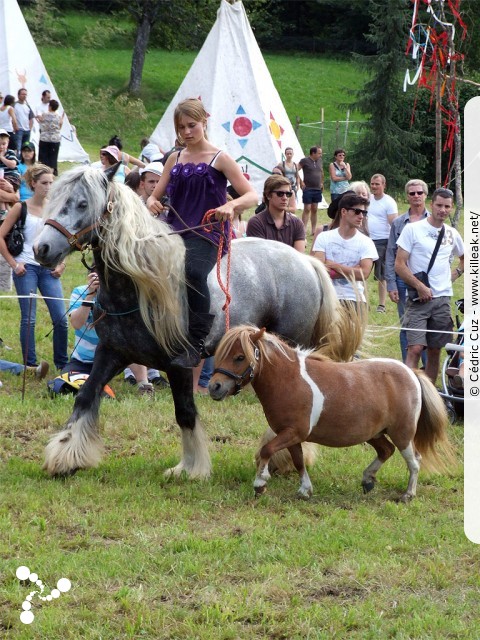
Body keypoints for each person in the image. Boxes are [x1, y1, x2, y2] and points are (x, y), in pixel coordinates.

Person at [147, 97, 257, 370]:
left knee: (194, 273)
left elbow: (252, 195)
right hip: (174, 232)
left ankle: (196, 341)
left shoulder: (220, 158)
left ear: (204, 123)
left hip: (209, 233)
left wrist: (231, 204)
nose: (186, 132)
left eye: (191, 125)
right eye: (181, 127)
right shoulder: (174, 158)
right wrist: (151, 201)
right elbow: (154, 195)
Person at [0, 164, 68, 370]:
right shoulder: (21, 207)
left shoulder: (55, 208)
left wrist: (62, 263)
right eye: (44, 183)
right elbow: (1, 235)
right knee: (29, 318)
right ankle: (30, 365)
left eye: (51, 183)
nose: (48, 187)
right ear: (33, 184)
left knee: (61, 318)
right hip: (26, 267)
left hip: (49, 267)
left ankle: (62, 363)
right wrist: (14, 263)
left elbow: (66, 239)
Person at [395, 187, 464, 384]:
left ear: (451, 208)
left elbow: (465, 258)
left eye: (447, 207)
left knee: (435, 350)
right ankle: (407, 393)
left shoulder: (451, 233)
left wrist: (453, 275)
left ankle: (430, 395)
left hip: (442, 300)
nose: (443, 210)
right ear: (431, 204)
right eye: (439, 205)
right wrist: (420, 286)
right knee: (414, 348)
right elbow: (399, 265)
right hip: (419, 299)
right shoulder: (412, 229)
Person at [386, 179, 429, 363]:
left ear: (426, 195)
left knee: (428, 326)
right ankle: (408, 370)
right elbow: (390, 254)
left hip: (427, 280)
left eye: (419, 192)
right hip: (402, 280)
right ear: (407, 197)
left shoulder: (434, 221)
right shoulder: (398, 223)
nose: (416, 196)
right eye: (412, 193)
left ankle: (428, 372)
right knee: (406, 325)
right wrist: (391, 283)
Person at [312, 192, 377, 308]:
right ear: (343, 212)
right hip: (327, 298)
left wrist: (334, 265)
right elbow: (319, 270)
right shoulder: (324, 237)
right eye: (357, 211)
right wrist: (352, 271)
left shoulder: (366, 242)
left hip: (355, 299)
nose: (361, 216)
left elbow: (364, 274)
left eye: (364, 212)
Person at [246, 175, 305, 252]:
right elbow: (259, 256)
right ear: (268, 195)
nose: (285, 198)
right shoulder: (256, 223)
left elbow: (299, 257)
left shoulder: (297, 223)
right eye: (280, 194)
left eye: (288, 194)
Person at [369, 173, 398, 312]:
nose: (374, 186)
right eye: (372, 184)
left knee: (382, 275)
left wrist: (394, 244)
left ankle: (381, 305)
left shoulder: (389, 202)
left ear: (384, 185)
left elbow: (394, 224)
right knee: (362, 273)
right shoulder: (367, 199)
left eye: (377, 184)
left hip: (383, 241)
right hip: (367, 241)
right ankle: (363, 302)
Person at [299, 146, 323, 235]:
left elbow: (321, 172)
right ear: (313, 153)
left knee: (315, 208)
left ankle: (313, 230)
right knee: (307, 208)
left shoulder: (319, 161)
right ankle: (303, 229)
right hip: (308, 188)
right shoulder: (304, 161)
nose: (321, 155)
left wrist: (322, 182)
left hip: (317, 188)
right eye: (319, 153)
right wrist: (301, 182)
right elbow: (295, 170)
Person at [37, 99, 64, 176]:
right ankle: (52, 171)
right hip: (55, 139)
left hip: (44, 138)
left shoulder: (45, 114)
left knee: (43, 156)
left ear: (50, 106)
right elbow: (60, 126)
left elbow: (41, 121)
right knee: (53, 157)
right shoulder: (58, 116)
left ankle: (42, 171)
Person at [275, 146, 300, 213]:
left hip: (293, 186)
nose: (289, 155)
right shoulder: (281, 164)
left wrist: (298, 186)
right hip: (285, 186)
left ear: (293, 154)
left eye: (290, 153)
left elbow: (297, 176)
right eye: (287, 154)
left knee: (292, 203)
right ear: (285, 154)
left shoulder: (295, 164)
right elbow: (279, 175)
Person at [13, 88, 34, 157]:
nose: (24, 96)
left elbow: (31, 118)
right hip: (19, 130)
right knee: (18, 148)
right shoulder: (14, 105)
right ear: (18, 95)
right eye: (23, 94)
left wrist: (30, 128)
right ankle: (18, 162)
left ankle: (24, 162)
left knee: (26, 148)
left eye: (25, 94)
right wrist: (15, 127)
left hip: (27, 130)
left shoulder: (27, 106)